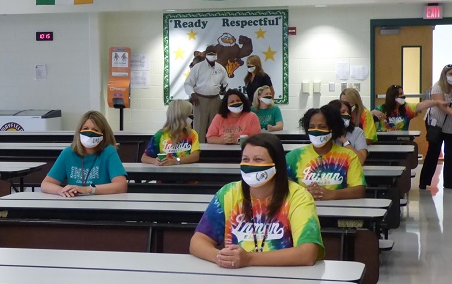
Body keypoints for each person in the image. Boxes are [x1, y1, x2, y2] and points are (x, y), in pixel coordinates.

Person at [190, 133, 324, 267]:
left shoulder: (298, 196)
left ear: (277, 164)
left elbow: (308, 253)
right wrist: (222, 258)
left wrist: (248, 259)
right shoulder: (228, 194)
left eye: (258, 159)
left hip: (282, 280)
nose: (250, 165)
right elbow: (197, 241)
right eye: (246, 159)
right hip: (236, 281)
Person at [286, 105, 366, 200]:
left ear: (332, 129)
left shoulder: (348, 156)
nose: (316, 131)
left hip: (339, 210)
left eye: (322, 127)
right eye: (312, 127)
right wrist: (304, 193)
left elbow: (359, 189)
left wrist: (331, 194)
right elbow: (282, 188)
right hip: (303, 210)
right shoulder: (293, 157)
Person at [41, 111, 127, 196]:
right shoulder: (68, 153)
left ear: (103, 134)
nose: (89, 133)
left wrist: (88, 189)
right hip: (75, 204)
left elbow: (121, 186)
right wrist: (62, 191)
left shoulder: (109, 152)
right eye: (85, 129)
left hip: (102, 204)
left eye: (95, 130)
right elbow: (46, 184)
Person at [184, 49, 229, 143]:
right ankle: (199, 152)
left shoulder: (220, 68)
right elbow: (188, 84)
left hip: (215, 99)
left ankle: (214, 153)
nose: (212, 56)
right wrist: (192, 94)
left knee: (215, 128)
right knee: (200, 127)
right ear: (206, 55)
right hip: (200, 99)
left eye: (214, 54)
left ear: (217, 55)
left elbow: (225, 83)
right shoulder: (198, 67)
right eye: (210, 54)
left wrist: (223, 89)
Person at [420, 65, 452, 189]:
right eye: (450, 74)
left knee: (450, 154)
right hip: (436, 124)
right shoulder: (438, 86)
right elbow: (442, 106)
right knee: (433, 152)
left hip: (450, 127)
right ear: (445, 75)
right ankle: (424, 182)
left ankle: (449, 183)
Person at [142, 100, 200, 165]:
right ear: (181, 117)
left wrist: (176, 161)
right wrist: (154, 161)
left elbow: (195, 156)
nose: (191, 117)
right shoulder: (160, 135)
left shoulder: (192, 134)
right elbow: (144, 157)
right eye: (189, 114)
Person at [372, 84, 446, 131]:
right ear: (393, 96)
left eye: (403, 93)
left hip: (402, 141)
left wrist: (438, 102)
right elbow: (366, 115)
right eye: (400, 94)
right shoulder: (381, 109)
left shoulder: (407, 108)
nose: (403, 96)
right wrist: (373, 112)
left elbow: (423, 104)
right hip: (384, 141)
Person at [327, 99, 368, 165]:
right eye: (343, 112)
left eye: (348, 112)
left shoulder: (358, 132)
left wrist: (344, 141)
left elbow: (361, 160)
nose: (347, 115)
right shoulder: (326, 133)